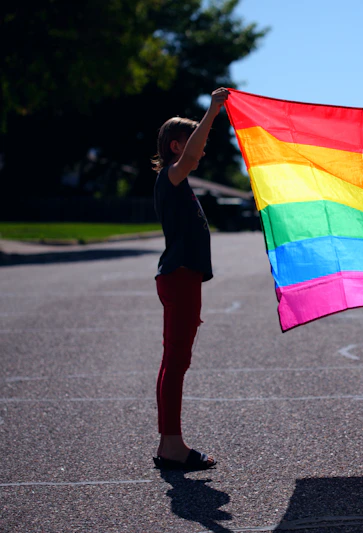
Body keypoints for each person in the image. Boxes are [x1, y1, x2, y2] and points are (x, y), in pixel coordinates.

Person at [151, 87, 229, 471]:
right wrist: (213, 111)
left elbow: (197, 150)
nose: (201, 148)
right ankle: (172, 447)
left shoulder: (178, 181)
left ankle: (170, 443)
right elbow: (196, 152)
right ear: (177, 145)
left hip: (182, 277)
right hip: (179, 278)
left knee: (174, 361)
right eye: (193, 139)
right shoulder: (172, 175)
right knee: (176, 361)